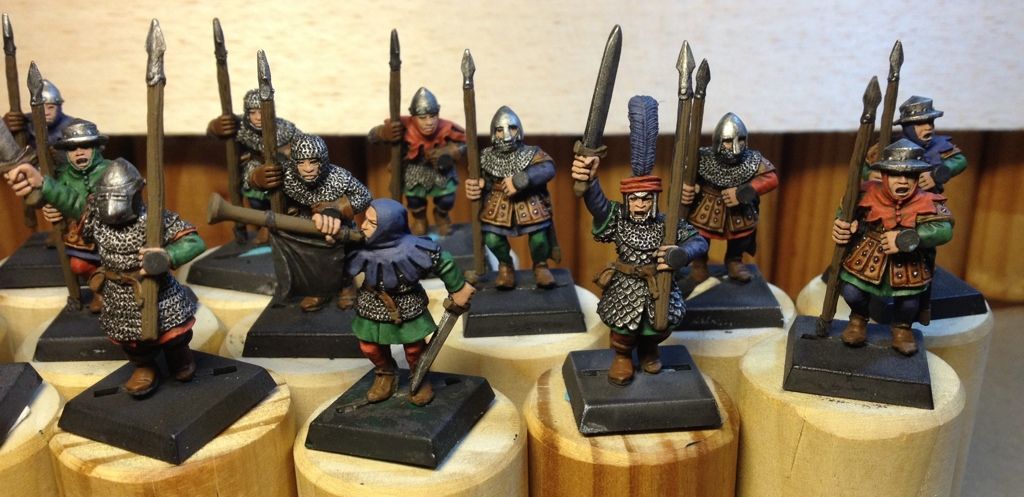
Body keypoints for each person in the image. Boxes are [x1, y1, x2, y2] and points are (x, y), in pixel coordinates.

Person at [5, 158, 206, 395]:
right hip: (119, 291)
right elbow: (72, 202)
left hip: (158, 289)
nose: (112, 207)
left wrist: (168, 257)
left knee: (173, 332)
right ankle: (145, 367)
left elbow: (194, 242)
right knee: (132, 340)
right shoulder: (96, 217)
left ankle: (180, 358)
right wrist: (43, 184)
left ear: (135, 194)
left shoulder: (156, 219)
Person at [571, 96, 709, 386]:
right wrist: (590, 181)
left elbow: (698, 241)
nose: (640, 205)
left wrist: (680, 253)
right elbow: (598, 206)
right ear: (627, 200)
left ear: (655, 200)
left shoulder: (666, 224)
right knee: (623, 329)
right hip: (626, 285)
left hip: (658, 284)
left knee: (659, 326)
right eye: (634, 199)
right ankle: (622, 357)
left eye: (646, 200)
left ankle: (649, 351)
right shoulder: (618, 218)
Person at [346, 198, 475, 405]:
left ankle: (419, 376)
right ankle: (385, 374)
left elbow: (443, 262)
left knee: (414, 349)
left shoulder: (416, 248)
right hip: (373, 301)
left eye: (372, 222)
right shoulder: (358, 245)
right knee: (369, 346)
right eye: (365, 220)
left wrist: (458, 288)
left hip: (407, 303)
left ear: (389, 227)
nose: (363, 225)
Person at [832, 138, 953, 355]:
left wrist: (907, 239)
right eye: (896, 175)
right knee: (851, 292)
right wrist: (843, 225)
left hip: (908, 260)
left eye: (910, 175)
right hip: (869, 252)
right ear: (885, 175)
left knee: (909, 303)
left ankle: (902, 328)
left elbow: (943, 230)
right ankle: (858, 320)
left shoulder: (930, 202)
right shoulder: (865, 192)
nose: (903, 181)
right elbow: (845, 211)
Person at [12, 119, 115, 312]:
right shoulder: (63, 175)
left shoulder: (112, 171)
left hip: (114, 235)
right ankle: (101, 290)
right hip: (82, 237)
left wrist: (48, 188)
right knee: (79, 265)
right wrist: (52, 208)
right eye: (72, 148)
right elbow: (50, 200)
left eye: (85, 146)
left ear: (96, 148)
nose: (79, 152)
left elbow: (90, 209)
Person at [274, 133, 372, 311]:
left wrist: (338, 208)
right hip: (305, 227)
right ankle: (318, 290)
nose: (307, 168)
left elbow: (364, 196)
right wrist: (257, 178)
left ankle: (346, 286)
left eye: (313, 162)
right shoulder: (286, 175)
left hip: (338, 227)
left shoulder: (339, 176)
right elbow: (265, 187)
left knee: (343, 257)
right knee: (310, 260)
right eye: (301, 163)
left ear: (323, 161)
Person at [465, 106, 558, 289]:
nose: (506, 135)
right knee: (492, 239)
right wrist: (476, 186)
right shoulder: (485, 156)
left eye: (512, 128)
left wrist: (521, 179)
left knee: (540, 238)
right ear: (494, 133)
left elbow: (548, 168)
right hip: (498, 204)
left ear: (519, 130)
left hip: (529, 202)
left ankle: (540, 266)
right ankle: (505, 266)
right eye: (500, 130)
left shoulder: (532, 153)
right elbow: (482, 179)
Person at [680, 113, 777, 282]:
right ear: (718, 141)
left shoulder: (753, 159)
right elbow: (684, 174)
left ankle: (734, 262)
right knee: (699, 237)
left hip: (739, 209)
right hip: (706, 206)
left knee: (742, 237)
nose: (735, 148)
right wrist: (685, 188)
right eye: (728, 141)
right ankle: (699, 265)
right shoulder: (701, 157)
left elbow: (771, 179)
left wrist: (742, 192)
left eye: (740, 140)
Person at [369, 87, 466, 235]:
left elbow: (466, 144)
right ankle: (420, 221)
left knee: (447, 199)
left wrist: (451, 151)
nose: (429, 122)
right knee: (415, 201)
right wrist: (384, 132)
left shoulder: (447, 127)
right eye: (423, 117)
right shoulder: (402, 126)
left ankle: (441, 216)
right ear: (414, 117)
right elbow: (372, 136)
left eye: (433, 116)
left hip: (441, 171)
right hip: (413, 171)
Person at [207, 89, 302, 241]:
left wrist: (289, 156)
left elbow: (306, 146)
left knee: (284, 207)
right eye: (253, 113)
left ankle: (278, 230)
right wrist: (214, 127)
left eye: (262, 112)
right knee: (257, 209)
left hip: (280, 177)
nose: (258, 117)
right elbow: (213, 134)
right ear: (247, 113)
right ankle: (263, 230)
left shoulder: (285, 128)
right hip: (252, 177)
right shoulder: (239, 126)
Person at [2, 79, 76, 147]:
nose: (45, 113)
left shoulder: (74, 126)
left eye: (50, 107)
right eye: (40, 109)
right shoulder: (24, 121)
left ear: (60, 107)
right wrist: (3, 129)